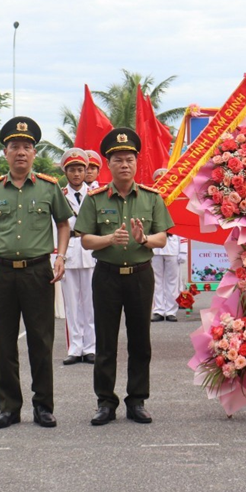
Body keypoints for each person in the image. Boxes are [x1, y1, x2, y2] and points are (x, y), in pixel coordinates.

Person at [0, 117, 71, 430]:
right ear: (5, 152)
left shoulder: (48, 188)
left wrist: (61, 255)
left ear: (34, 153)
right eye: (15, 146)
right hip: (2, 273)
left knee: (41, 342)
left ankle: (43, 407)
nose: (21, 152)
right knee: (4, 342)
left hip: (38, 271)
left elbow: (65, 223)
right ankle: (9, 408)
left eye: (27, 147)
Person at [74, 128, 174, 426]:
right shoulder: (94, 199)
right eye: (118, 160)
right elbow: (86, 240)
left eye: (129, 159)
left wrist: (143, 240)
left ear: (136, 162)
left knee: (140, 341)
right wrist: (109, 239)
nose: (124, 165)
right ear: (108, 164)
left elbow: (163, 238)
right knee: (105, 341)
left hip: (140, 276)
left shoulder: (152, 198)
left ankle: (137, 400)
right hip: (106, 276)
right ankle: (105, 402)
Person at [59, 148, 96, 365]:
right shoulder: (59, 195)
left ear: (86, 171)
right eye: (72, 169)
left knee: (91, 303)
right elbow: (56, 227)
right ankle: (75, 348)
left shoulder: (95, 195)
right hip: (70, 250)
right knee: (72, 304)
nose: (76, 173)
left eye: (80, 169)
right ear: (66, 172)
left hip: (91, 251)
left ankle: (91, 347)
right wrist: (58, 256)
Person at [151, 169, 186, 323]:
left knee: (172, 280)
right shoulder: (150, 201)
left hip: (172, 245)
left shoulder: (176, 202)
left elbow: (184, 227)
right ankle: (158, 310)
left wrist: (183, 251)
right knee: (156, 280)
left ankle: (171, 311)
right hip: (155, 246)